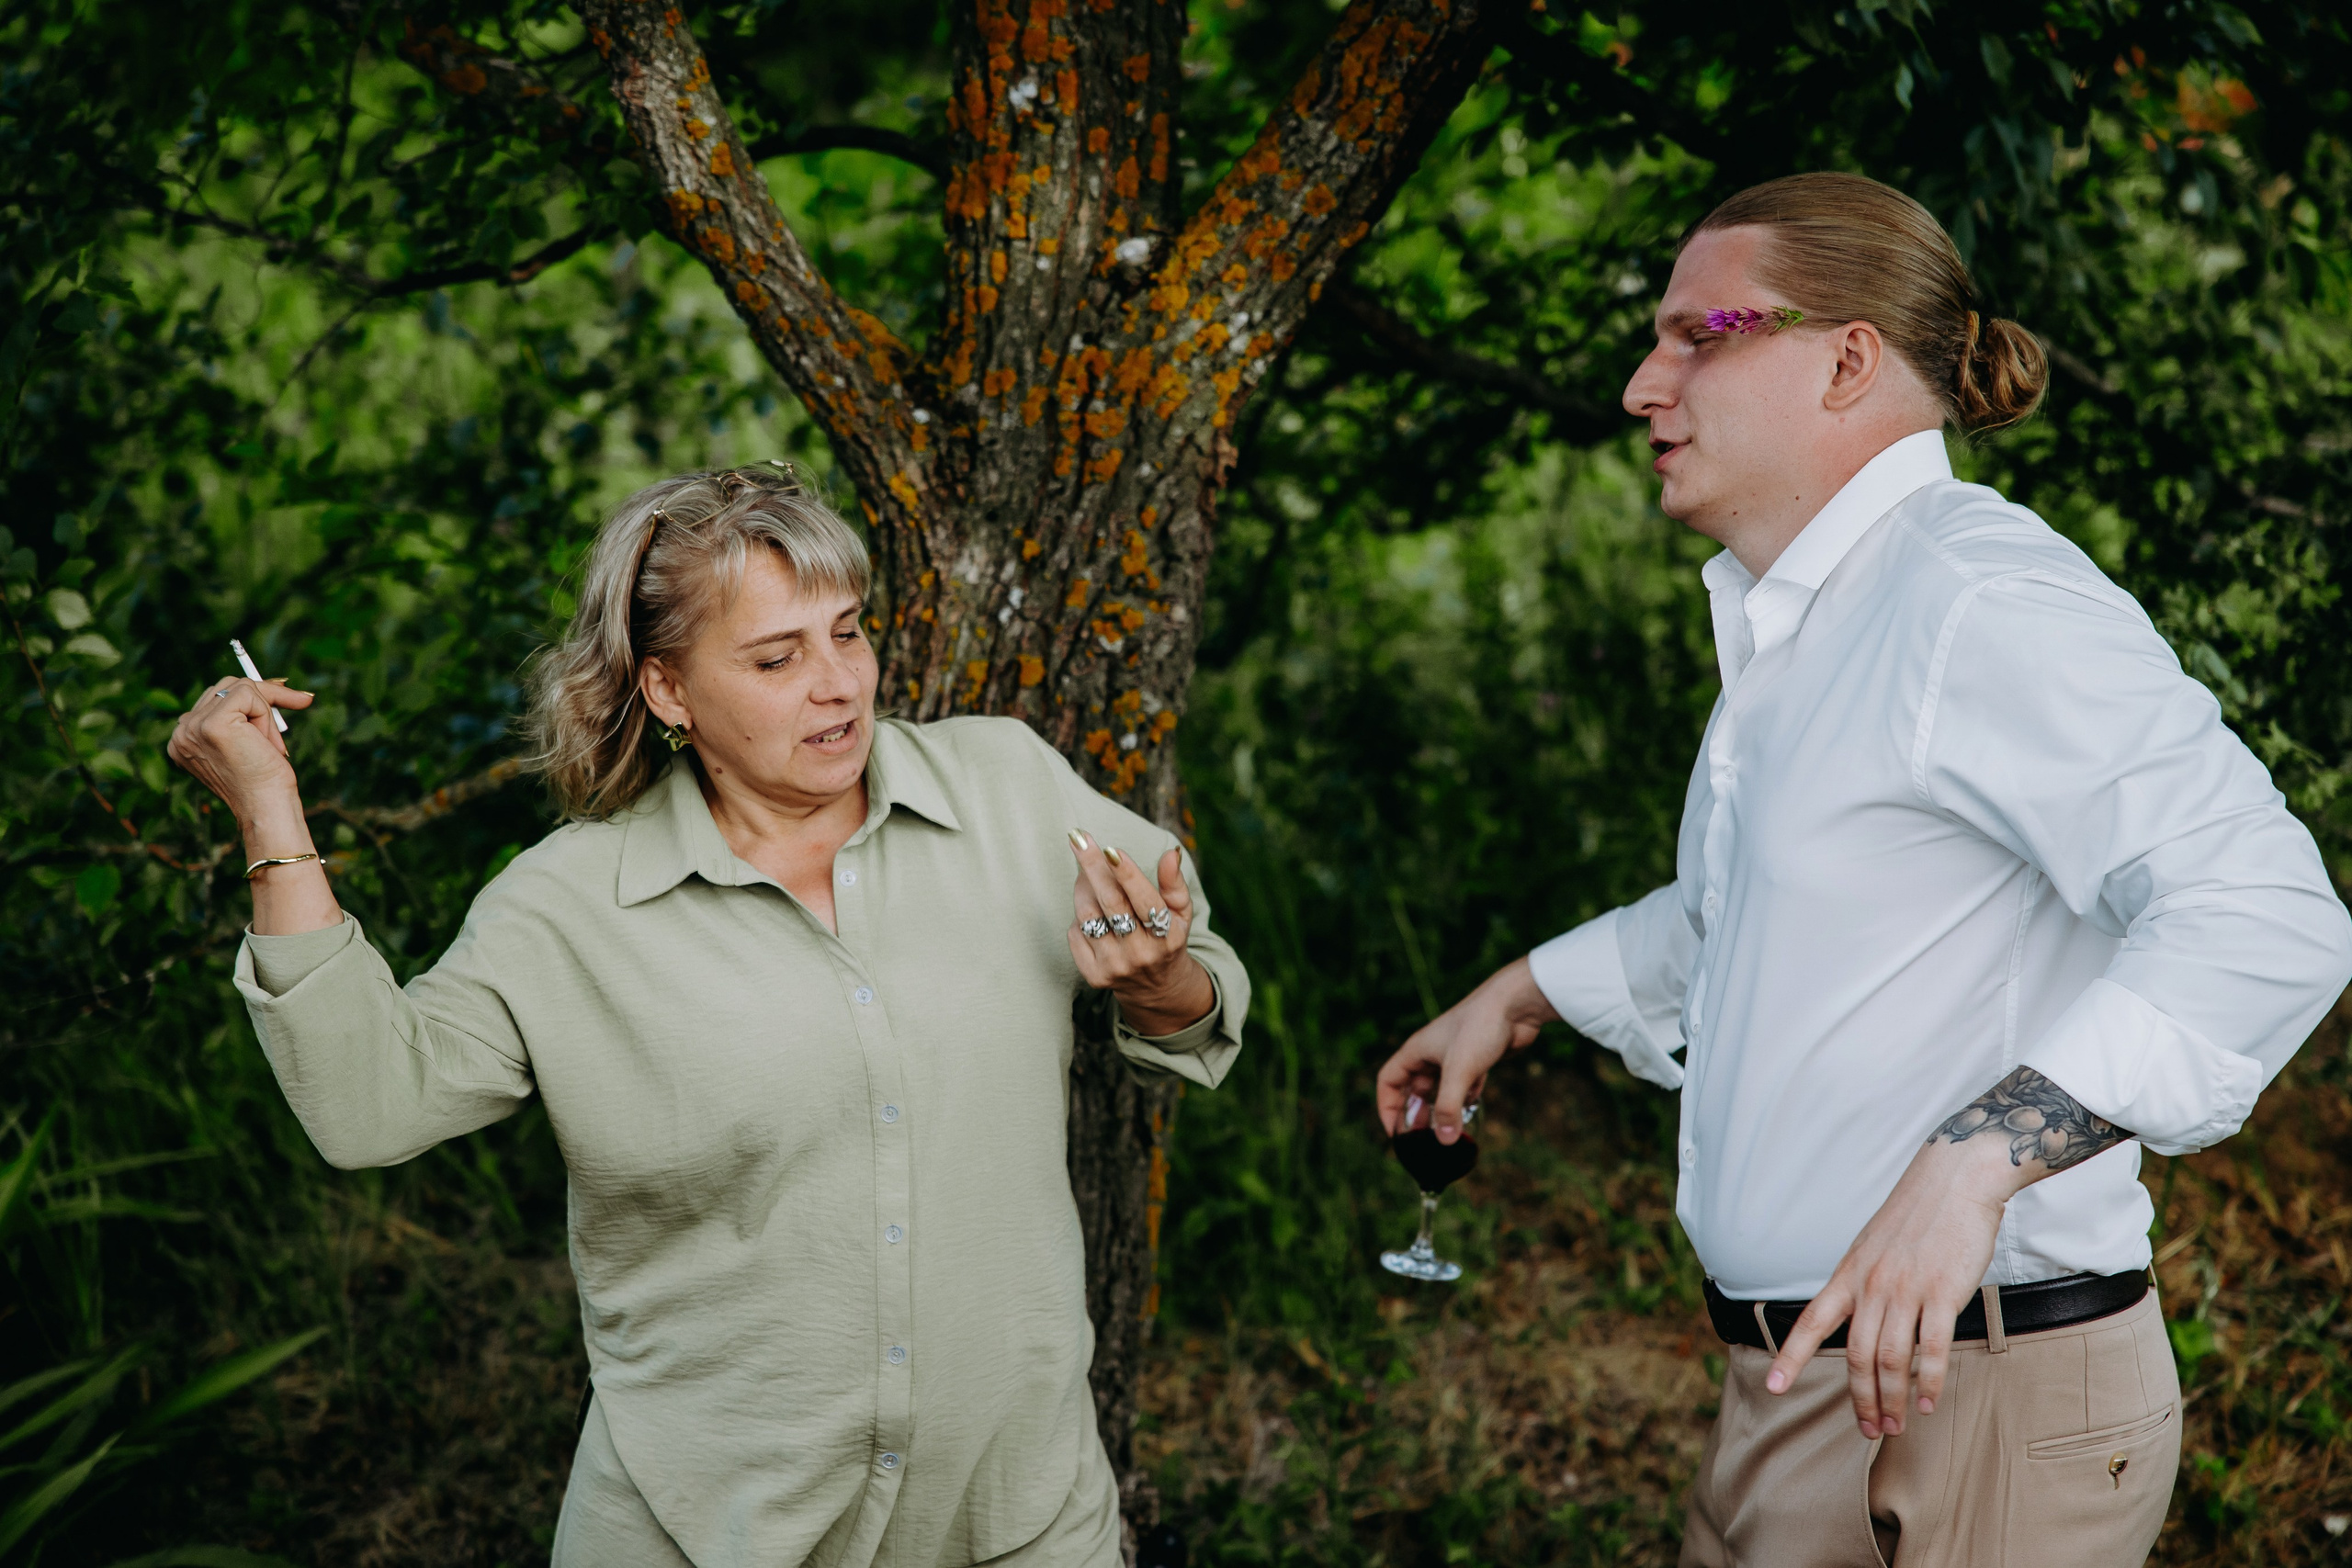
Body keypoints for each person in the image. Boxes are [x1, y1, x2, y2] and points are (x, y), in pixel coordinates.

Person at [1375, 172, 2352, 1565]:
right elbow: (1749, 926)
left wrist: (1969, 1165)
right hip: (1794, 1393)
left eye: (1694, 332)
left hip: (1983, 1398)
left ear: (1847, 358)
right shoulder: (1808, 628)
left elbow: (2264, 913)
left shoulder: (1977, 599)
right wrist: (1520, 992)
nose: (1645, 386)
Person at [166, 465, 1250, 1568]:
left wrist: (1158, 982)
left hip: (1019, 1518)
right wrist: (269, 808)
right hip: (702, 1527)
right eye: (777, 659)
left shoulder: (1007, 789)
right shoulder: (568, 906)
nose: (837, 685)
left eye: (848, 633)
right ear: (669, 691)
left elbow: (1200, 982)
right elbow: (366, 1107)